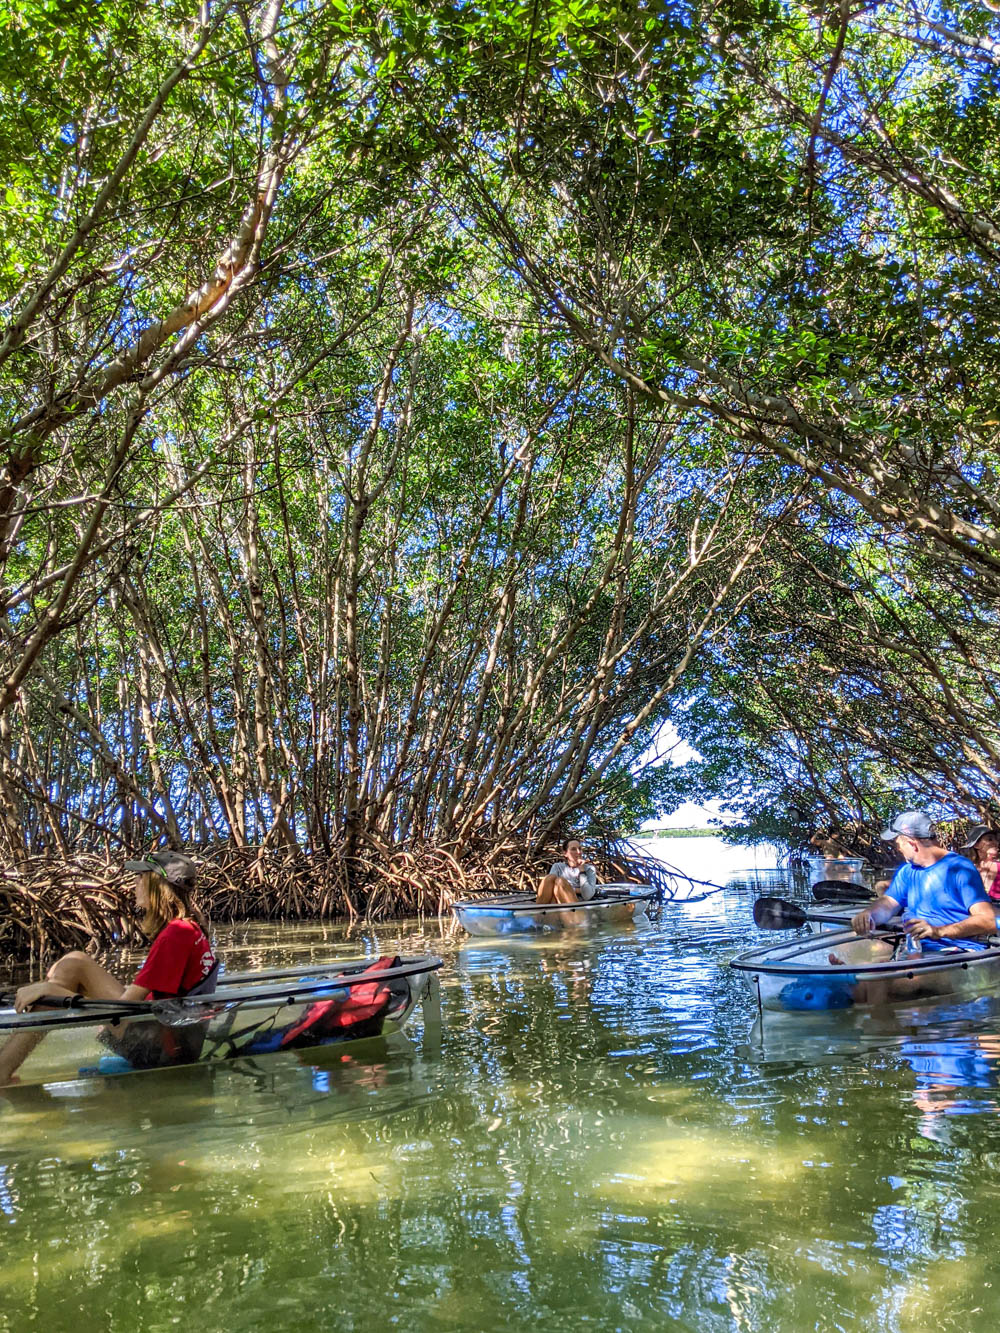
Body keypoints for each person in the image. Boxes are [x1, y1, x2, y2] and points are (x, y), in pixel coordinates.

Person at [0, 850, 216, 1085]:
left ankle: (1, 1075)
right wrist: (52, 989)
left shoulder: (177, 934)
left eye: (141, 877)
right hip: (163, 1032)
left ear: (157, 885)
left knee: (45, 1000)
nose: (135, 883)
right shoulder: (190, 928)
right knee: (74, 962)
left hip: (158, 1047)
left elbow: (124, 1008)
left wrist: (49, 992)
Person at [851, 811, 997, 950]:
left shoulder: (959, 868)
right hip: (918, 950)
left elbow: (988, 920)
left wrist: (939, 931)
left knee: (884, 974)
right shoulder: (907, 871)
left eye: (899, 844)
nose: (898, 849)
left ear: (912, 844)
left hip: (956, 950)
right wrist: (868, 914)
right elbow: (888, 904)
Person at [535, 839, 598, 904]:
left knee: (560, 881)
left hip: (577, 907)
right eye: (573, 849)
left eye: (579, 848)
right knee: (550, 878)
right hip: (557, 901)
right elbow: (550, 888)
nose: (578, 852)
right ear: (565, 853)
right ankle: (538, 911)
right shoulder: (558, 867)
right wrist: (577, 890)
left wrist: (582, 871)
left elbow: (587, 895)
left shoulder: (589, 869)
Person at [961, 825, 1000, 900]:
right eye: (990, 839)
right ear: (976, 845)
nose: (996, 842)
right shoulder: (967, 870)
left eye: (996, 839)